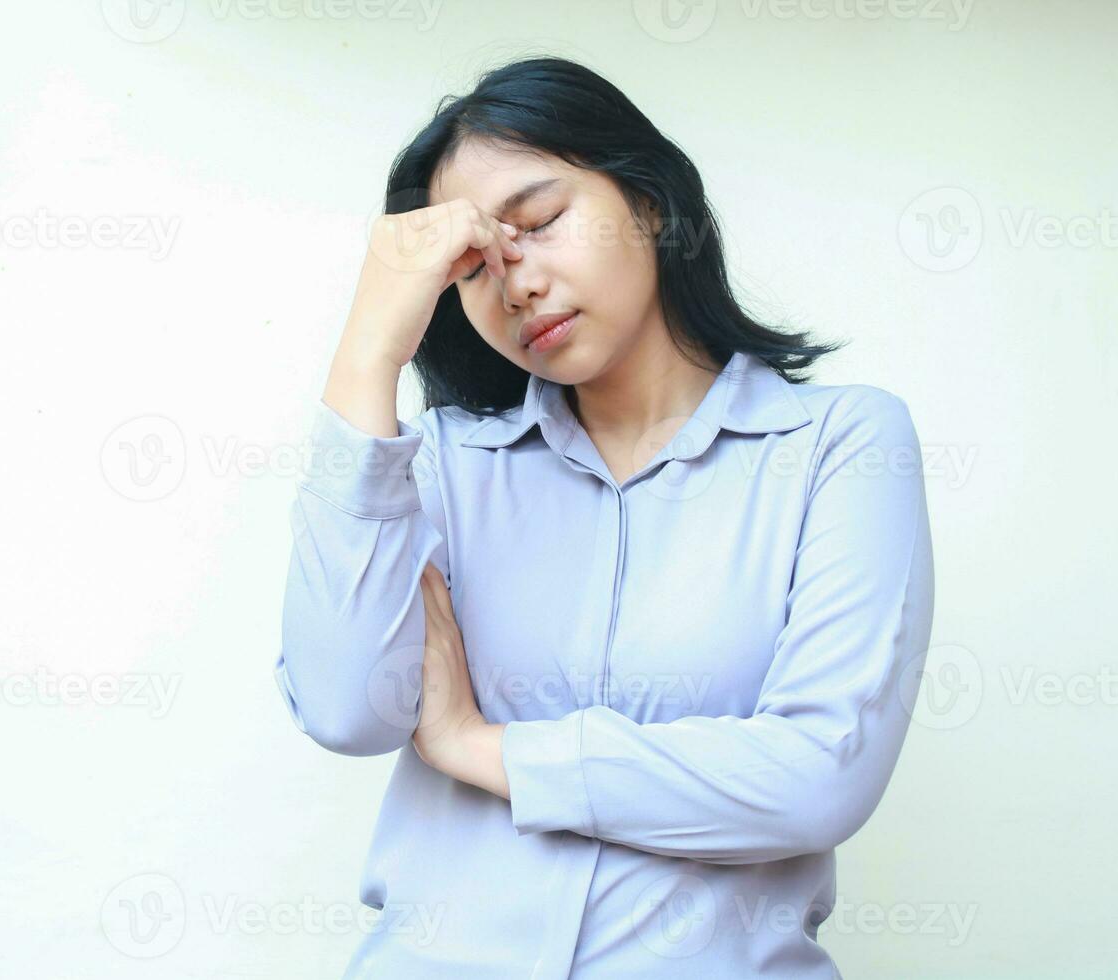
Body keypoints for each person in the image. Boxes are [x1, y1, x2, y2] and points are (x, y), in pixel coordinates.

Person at [276, 55, 935, 978]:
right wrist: (367, 351)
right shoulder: (443, 467)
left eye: (541, 223)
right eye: (472, 271)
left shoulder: (841, 445)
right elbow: (348, 710)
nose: (515, 285)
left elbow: (818, 775)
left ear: (651, 203)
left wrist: (480, 746)